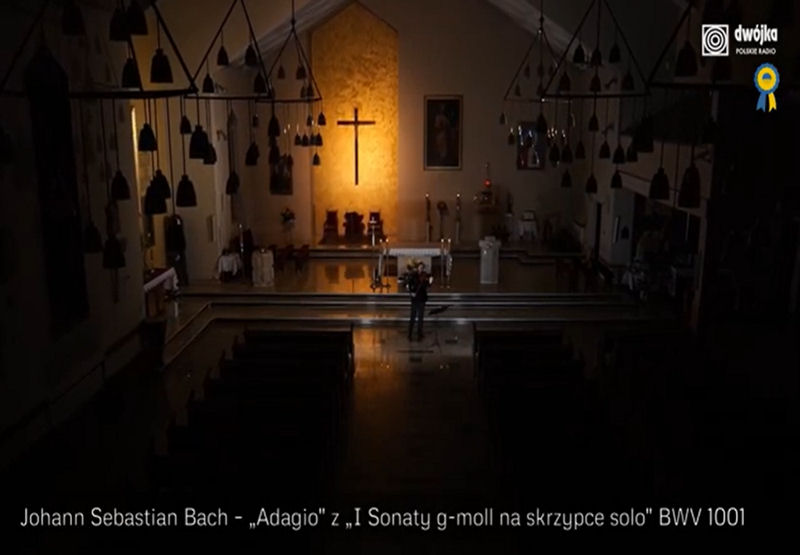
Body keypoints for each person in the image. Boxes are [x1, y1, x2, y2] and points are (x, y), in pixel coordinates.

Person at [407, 261, 433, 341]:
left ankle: (419, 334)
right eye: (420, 267)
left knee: (420, 317)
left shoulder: (425, 275)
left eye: (422, 267)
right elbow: (409, 285)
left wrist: (430, 282)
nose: (421, 268)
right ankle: (410, 334)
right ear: (417, 267)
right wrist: (411, 293)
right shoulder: (413, 275)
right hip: (415, 298)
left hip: (421, 298)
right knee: (413, 317)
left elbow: (427, 286)